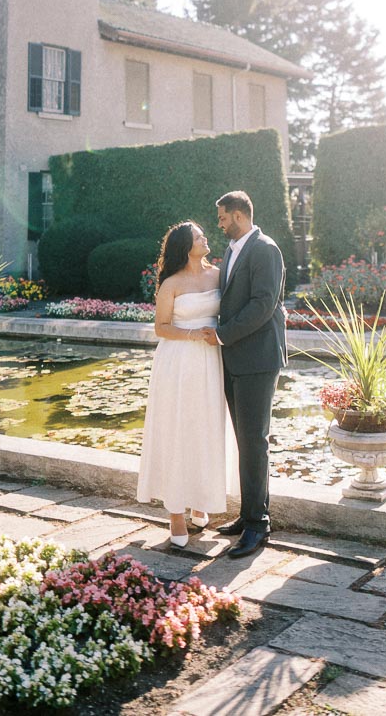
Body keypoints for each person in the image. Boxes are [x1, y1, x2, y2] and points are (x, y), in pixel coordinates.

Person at [202, 189, 286, 560]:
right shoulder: (236, 251)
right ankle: (250, 513)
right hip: (236, 359)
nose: (219, 224)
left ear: (237, 215)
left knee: (254, 441)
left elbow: (263, 305)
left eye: (222, 217)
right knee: (246, 441)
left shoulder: (265, 248)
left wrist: (221, 334)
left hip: (258, 359)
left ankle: (257, 526)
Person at [136, 221, 229, 547]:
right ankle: (175, 512)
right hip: (178, 362)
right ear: (185, 247)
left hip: (211, 362)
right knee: (177, 430)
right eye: (199, 237)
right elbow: (161, 327)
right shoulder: (171, 283)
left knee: (206, 429)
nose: (206, 239)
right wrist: (192, 335)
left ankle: (201, 500)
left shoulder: (218, 274)